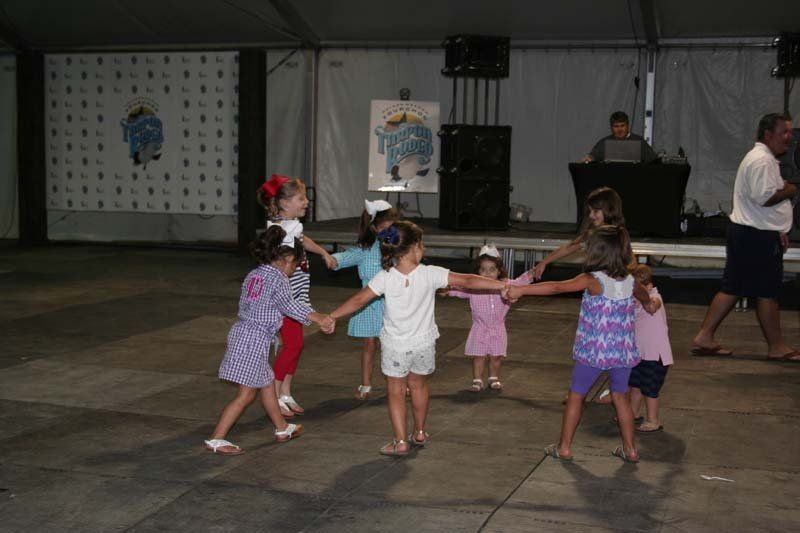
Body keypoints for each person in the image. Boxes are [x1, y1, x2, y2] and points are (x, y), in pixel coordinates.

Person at [326, 221, 509, 456]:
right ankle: (420, 432)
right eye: (422, 244)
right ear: (415, 248)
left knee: (396, 391)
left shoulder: (385, 277)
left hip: (395, 346)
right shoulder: (431, 273)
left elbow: (359, 300)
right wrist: (501, 286)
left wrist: (332, 316)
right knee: (419, 386)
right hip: (424, 344)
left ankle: (400, 441)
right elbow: (468, 280)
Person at [507, 225, 656, 463]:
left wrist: (522, 290)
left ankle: (564, 447)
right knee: (621, 398)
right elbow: (646, 298)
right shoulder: (630, 282)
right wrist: (649, 304)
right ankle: (631, 450)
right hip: (622, 352)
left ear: (596, 252)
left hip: (593, 352)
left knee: (576, 396)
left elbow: (556, 287)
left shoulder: (591, 280)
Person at [204, 225, 334, 455]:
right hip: (254, 338)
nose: (295, 269)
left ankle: (282, 428)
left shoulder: (255, 274)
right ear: (286, 259)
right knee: (246, 395)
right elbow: (290, 306)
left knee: (266, 384)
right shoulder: (280, 279)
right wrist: (319, 317)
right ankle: (217, 438)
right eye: (296, 264)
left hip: (243, 333)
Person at [691, 113, 798, 362]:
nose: (789, 137)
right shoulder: (762, 161)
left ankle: (705, 336)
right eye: (784, 132)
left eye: (790, 132)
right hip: (755, 236)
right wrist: (791, 189)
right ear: (768, 134)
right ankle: (777, 346)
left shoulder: (762, 158)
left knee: (733, 287)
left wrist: (778, 229)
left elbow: (760, 201)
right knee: (767, 291)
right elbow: (764, 197)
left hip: (751, 232)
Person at [534, 187, 630, 405]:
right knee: (596, 346)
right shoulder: (592, 234)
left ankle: (613, 389)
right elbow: (570, 247)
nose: (591, 216)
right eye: (590, 212)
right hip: (598, 305)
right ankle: (586, 389)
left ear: (609, 209)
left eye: (596, 211)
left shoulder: (618, 236)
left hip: (615, 304)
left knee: (616, 347)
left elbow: (627, 269)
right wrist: (545, 261)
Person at [257, 174, 337, 418]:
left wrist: (323, 252)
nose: (306, 202)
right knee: (294, 344)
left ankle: (285, 392)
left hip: (298, 294)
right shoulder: (278, 231)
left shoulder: (292, 225)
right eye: (301, 198)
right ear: (284, 204)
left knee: (294, 346)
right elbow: (276, 265)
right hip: (286, 299)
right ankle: (274, 392)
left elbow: (303, 239)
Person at [328, 199, 399, 400]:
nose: (391, 229)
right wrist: (329, 258)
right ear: (375, 227)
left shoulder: (396, 246)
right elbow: (342, 259)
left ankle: (399, 381)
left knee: (394, 346)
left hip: (393, 303)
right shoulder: (364, 249)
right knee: (370, 344)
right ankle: (366, 383)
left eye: (393, 225)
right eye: (387, 226)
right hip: (369, 303)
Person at [441, 243, 532, 392]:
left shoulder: (506, 285)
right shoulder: (474, 288)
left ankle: (493, 377)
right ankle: (477, 380)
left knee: (496, 355)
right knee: (479, 355)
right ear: (477, 271)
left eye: (492, 270)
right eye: (483, 270)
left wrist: (532, 273)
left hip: (498, 327)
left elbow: (521, 281)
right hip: (479, 327)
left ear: (499, 271)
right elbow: (460, 290)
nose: (487, 273)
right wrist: (448, 291)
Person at [628, 265, 673, 433]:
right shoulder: (633, 302)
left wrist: (644, 299)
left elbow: (652, 307)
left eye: (638, 290)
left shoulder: (655, 296)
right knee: (635, 385)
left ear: (649, 286)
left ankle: (653, 420)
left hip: (656, 356)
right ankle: (632, 413)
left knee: (650, 389)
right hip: (640, 354)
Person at [582, 111, 658, 163]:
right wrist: (590, 158)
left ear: (627, 126)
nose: (620, 129)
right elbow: (592, 157)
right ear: (611, 128)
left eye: (622, 125)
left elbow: (654, 161)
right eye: (616, 126)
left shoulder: (639, 141)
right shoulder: (604, 143)